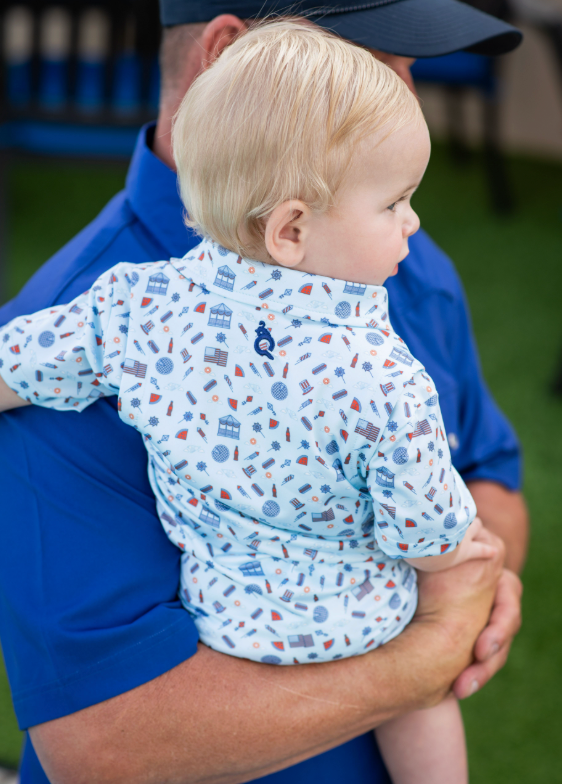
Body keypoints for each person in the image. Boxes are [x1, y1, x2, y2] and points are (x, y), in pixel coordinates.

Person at [0, 3, 526, 784]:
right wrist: (433, 641)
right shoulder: (80, 317)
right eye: (382, 69)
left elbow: (490, 465)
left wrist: (491, 582)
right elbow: (100, 749)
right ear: (230, 57)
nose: (408, 104)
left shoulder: (392, 255)